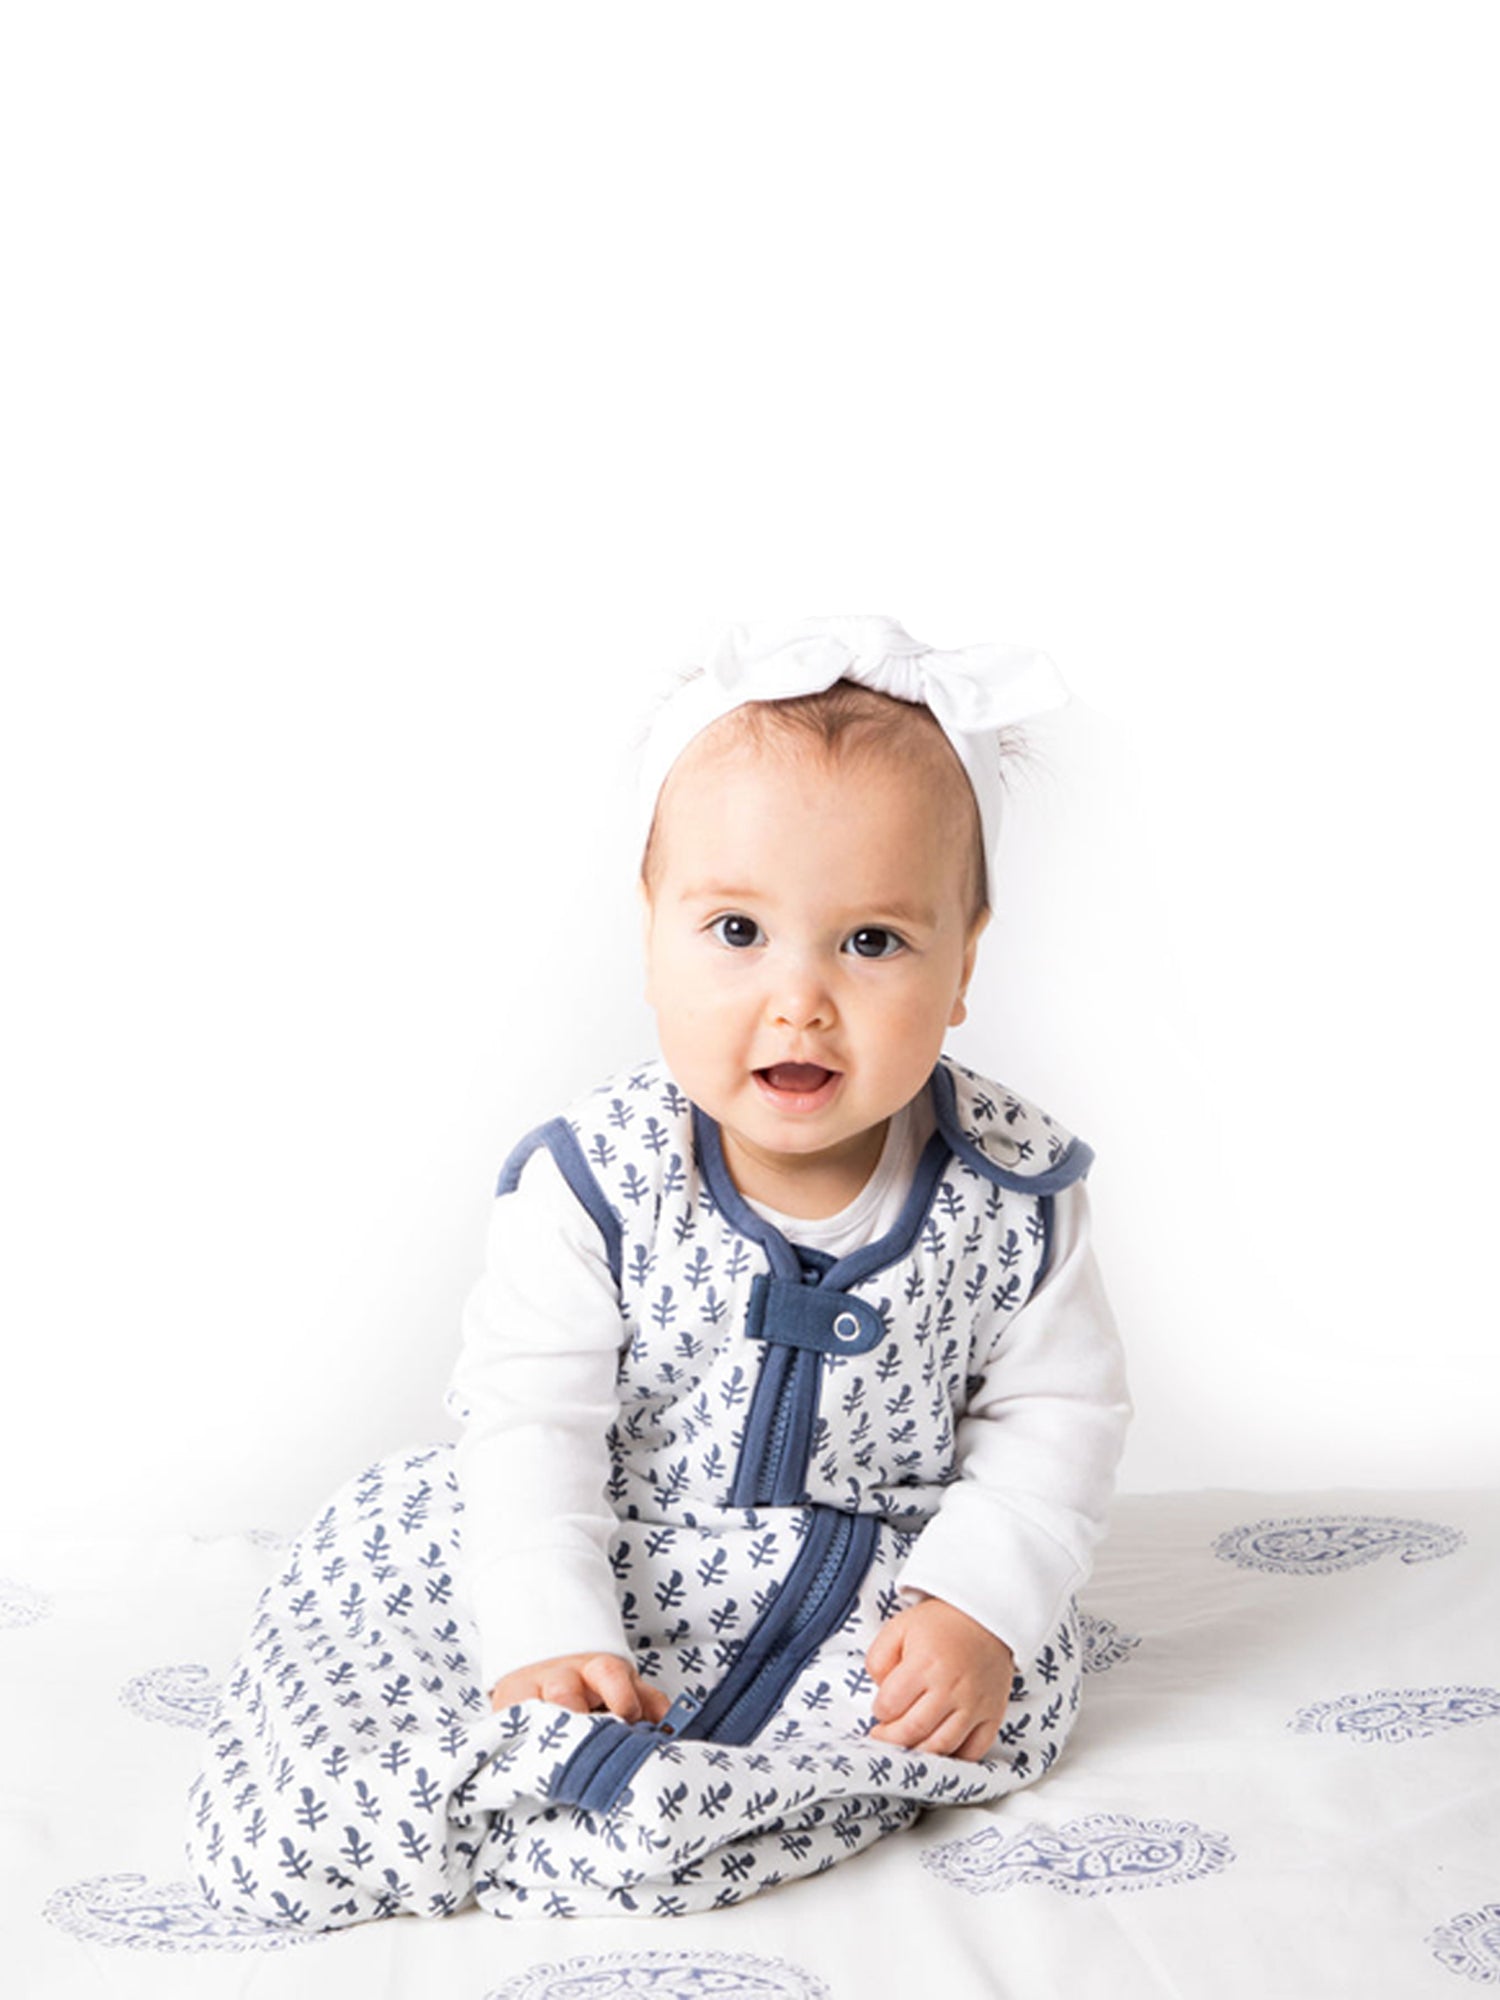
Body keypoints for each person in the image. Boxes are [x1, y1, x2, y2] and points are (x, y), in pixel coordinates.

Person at [185, 614, 1130, 1927]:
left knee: (969, 1701)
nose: (799, 999)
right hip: (619, 1539)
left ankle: (663, 1809)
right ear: (650, 934)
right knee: (403, 1564)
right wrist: (550, 1630)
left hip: (873, 1589)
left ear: (963, 960)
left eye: (871, 942)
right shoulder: (596, 1181)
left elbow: (1059, 1421)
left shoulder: (1013, 1194)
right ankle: (503, 1757)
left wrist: (975, 1600)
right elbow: (534, 1424)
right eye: (737, 929)